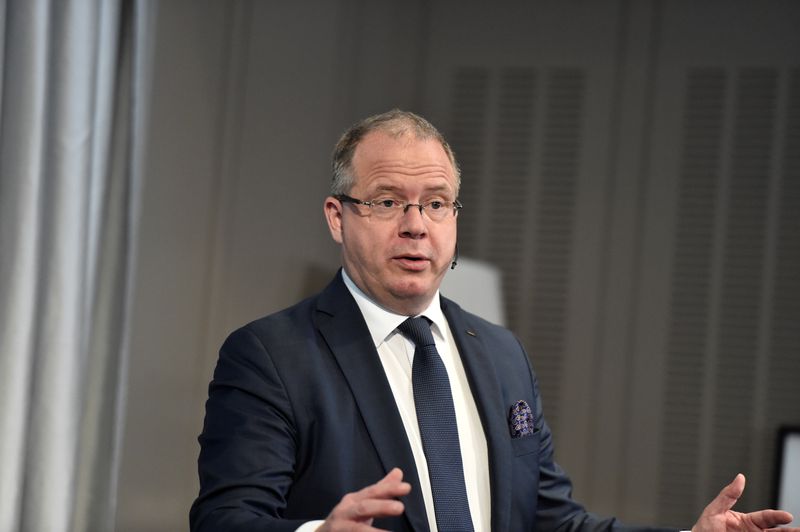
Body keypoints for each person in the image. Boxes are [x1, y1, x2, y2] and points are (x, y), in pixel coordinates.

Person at [189, 109, 797, 532]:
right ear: (337, 217)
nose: (415, 225)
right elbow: (224, 520)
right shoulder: (270, 354)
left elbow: (551, 521)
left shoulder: (501, 354)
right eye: (386, 202)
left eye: (434, 203)